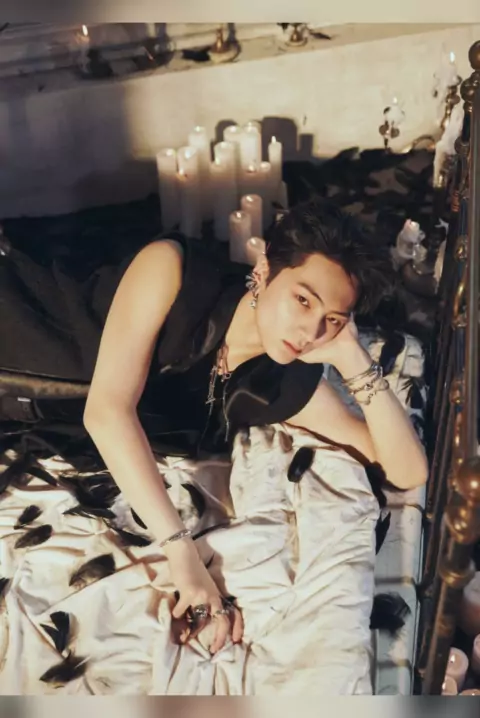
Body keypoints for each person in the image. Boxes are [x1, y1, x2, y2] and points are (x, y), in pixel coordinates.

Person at [0, 197, 428, 655]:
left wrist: (354, 359)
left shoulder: (279, 379)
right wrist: (182, 555)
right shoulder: (172, 269)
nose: (310, 331)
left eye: (332, 320)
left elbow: (408, 471)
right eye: (303, 300)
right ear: (264, 269)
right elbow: (106, 413)